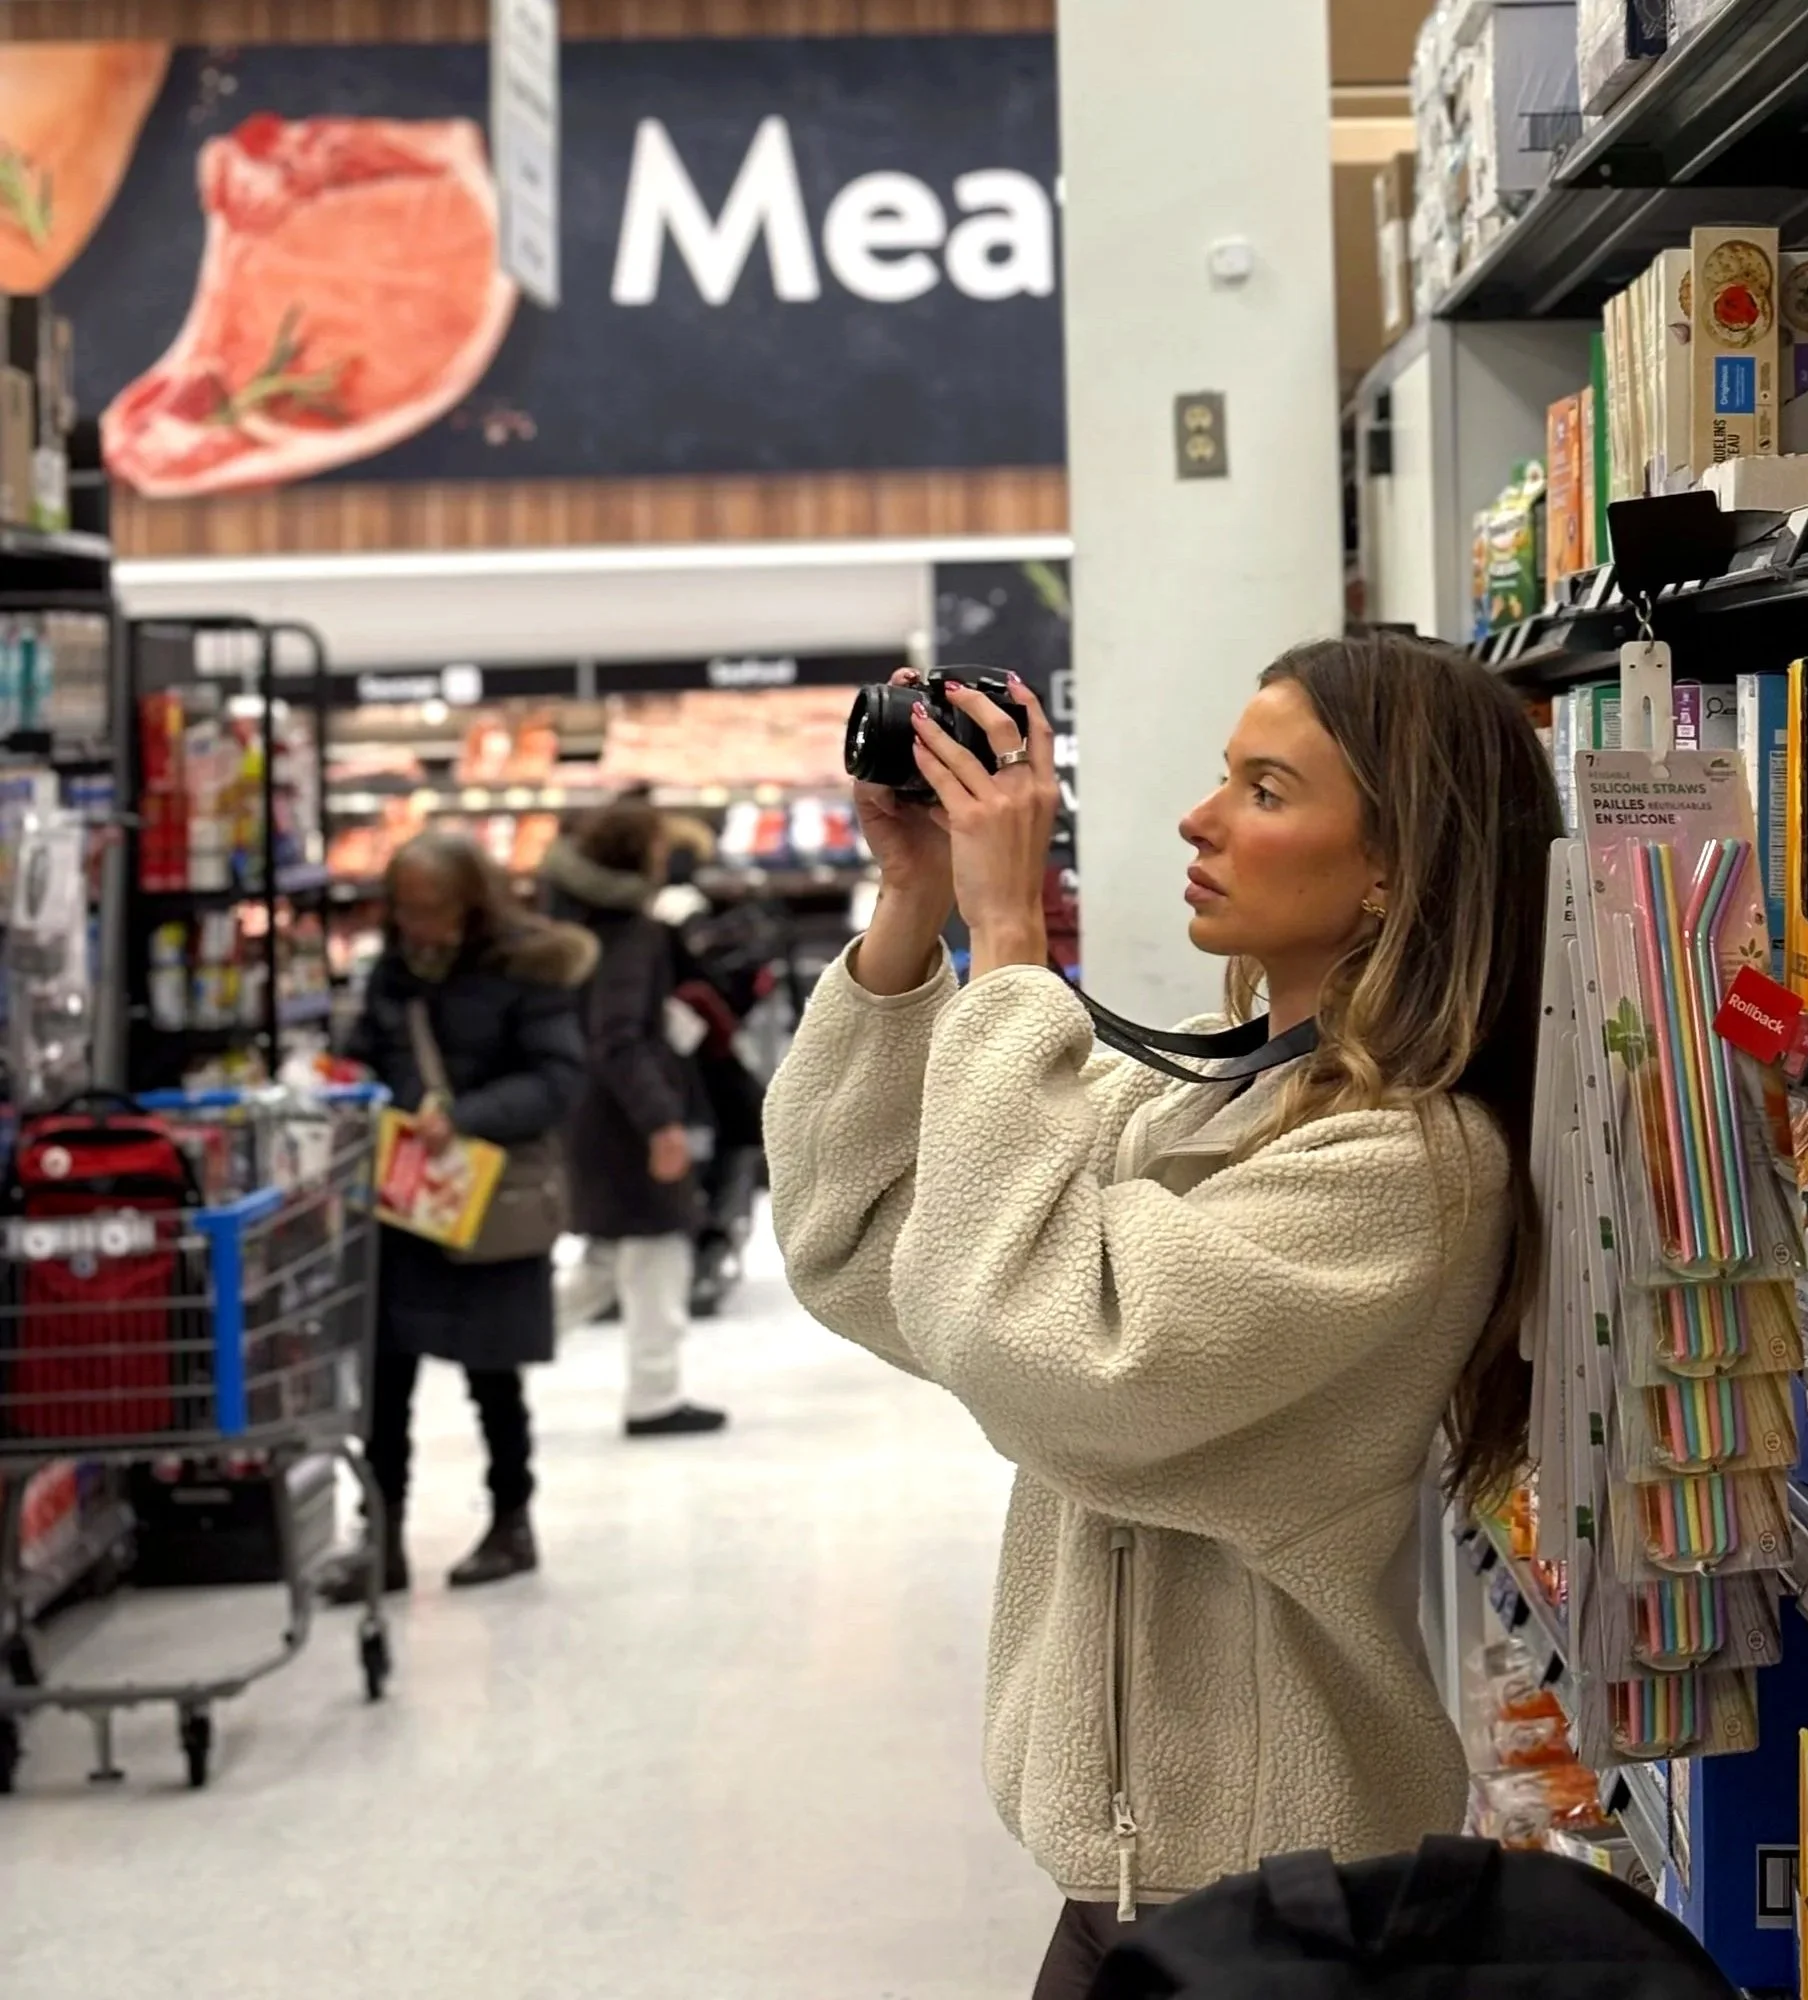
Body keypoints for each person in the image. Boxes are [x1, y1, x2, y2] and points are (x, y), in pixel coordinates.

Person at [763, 635, 1560, 1999]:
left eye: (1263, 789)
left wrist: (1013, 944)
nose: (1199, 819)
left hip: (1285, 1902)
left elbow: (1043, 1350)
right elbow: (861, 1243)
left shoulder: (1413, 1169)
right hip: (1143, 1880)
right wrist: (915, 908)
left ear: (1392, 869)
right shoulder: (1204, 1102)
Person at [332, 831, 592, 1596]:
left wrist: (467, 1114)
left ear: (471, 903)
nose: (417, 925)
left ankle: (512, 1523)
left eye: (431, 910)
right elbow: (370, 1050)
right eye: (405, 910)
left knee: (493, 1375)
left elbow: (558, 1081)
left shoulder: (529, 969)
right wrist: (351, 1078)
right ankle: (380, 1537)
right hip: (403, 1197)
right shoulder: (392, 970)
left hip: (488, 1202)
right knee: (384, 1376)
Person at [541, 801, 726, 1437]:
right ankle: (655, 1394)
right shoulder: (632, 933)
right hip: (626, 1118)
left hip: (589, 1110)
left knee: (604, 1257)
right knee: (656, 1249)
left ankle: (513, 1345)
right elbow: (619, 1037)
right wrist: (662, 1123)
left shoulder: (569, 918)